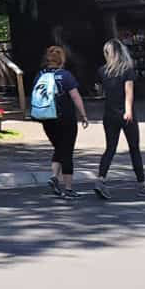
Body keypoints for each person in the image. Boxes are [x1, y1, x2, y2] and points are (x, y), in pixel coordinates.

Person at [93, 39, 145, 199]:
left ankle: (100, 180)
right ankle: (143, 184)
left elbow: (99, 90)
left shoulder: (102, 71)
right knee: (134, 148)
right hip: (125, 114)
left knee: (110, 148)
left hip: (109, 114)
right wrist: (128, 111)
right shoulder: (127, 70)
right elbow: (129, 92)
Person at [35, 46, 89, 198]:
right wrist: (83, 115)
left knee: (59, 148)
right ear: (61, 60)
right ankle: (69, 188)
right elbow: (75, 96)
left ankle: (54, 176)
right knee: (67, 152)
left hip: (47, 118)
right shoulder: (65, 76)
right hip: (65, 118)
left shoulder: (40, 75)